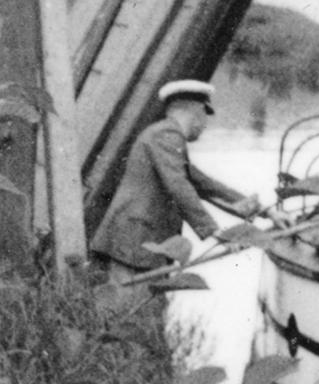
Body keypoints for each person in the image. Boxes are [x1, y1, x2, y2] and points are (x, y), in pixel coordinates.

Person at [91, 80, 260, 278]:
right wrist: (215, 233)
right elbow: (179, 186)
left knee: (141, 303)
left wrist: (264, 211)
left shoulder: (165, 137)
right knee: (133, 303)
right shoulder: (167, 135)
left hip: (140, 242)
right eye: (206, 116)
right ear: (196, 111)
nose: (205, 125)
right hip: (135, 241)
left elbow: (202, 183)